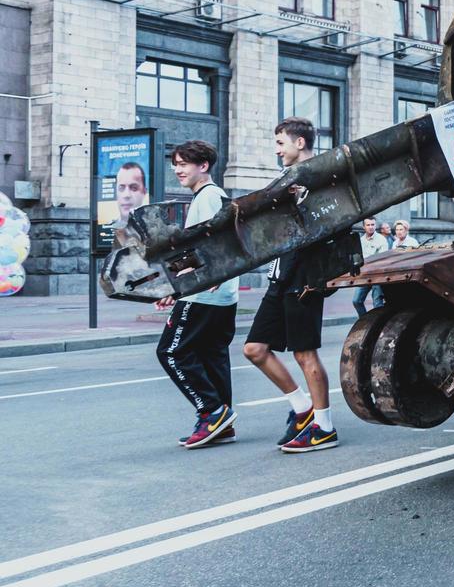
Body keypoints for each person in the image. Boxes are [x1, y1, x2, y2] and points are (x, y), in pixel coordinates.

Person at [242, 117, 339, 452]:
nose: (277, 149)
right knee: (254, 348)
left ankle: (324, 427)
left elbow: (331, 226)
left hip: (304, 280)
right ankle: (302, 409)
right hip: (280, 276)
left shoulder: (321, 178)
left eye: (281, 142)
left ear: (300, 143)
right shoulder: (287, 180)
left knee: (304, 354)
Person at [154, 141, 240, 448]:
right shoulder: (214, 197)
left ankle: (212, 412)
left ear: (203, 166)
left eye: (183, 164)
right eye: (175, 164)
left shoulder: (207, 197)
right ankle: (222, 424)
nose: (177, 169)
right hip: (222, 295)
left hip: (203, 295)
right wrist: (175, 289)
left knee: (171, 352)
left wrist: (180, 289)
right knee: (211, 356)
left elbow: (207, 249)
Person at [352, 217, 389, 318]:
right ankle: (365, 321)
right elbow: (357, 258)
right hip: (364, 275)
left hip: (377, 275)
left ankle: (380, 325)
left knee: (377, 303)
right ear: (364, 227)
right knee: (356, 301)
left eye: (373, 225)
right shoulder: (360, 240)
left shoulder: (381, 239)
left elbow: (382, 258)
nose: (371, 227)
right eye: (368, 225)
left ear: (375, 226)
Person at [114, 161, 149, 229]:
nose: (126, 195)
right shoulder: (110, 227)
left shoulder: (154, 230)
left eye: (134, 188)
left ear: (144, 192)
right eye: (121, 188)